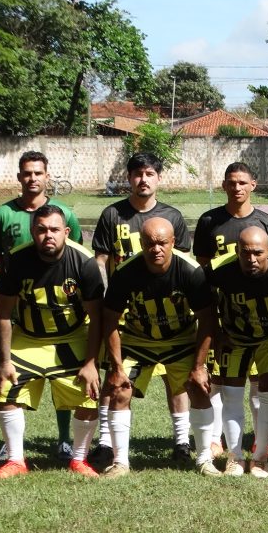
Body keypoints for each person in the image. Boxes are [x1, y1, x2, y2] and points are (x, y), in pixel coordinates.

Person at [90, 152, 192, 467]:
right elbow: (100, 261)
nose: (143, 179)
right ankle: (106, 443)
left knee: (175, 378)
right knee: (115, 376)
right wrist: (105, 298)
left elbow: (183, 263)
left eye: (149, 173)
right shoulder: (112, 214)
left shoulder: (172, 216)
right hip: (123, 311)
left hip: (166, 310)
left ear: (158, 178)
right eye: (137, 174)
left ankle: (182, 443)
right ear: (129, 178)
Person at [0, 205, 104, 479]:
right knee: (6, 389)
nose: (48, 235)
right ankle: (15, 460)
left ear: (66, 232)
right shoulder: (16, 260)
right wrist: (4, 361)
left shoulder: (84, 262)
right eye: (41, 230)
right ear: (33, 232)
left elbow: (97, 318)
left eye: (54, 229)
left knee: (88, 396)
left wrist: (91, 363)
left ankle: (79, 460)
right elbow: (3, 314)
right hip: (28, 338)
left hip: (72, 337)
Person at [0, 150, 83, 462]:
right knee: (8, 371)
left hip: (58, 306)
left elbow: (75, 251)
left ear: (47, 176)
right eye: (27, 173)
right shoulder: (3, 214)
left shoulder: (64, 213)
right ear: (19, 177)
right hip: (18, 304)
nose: (32, 178)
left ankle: (64, 439)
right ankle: (11, 444)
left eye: (38, 173)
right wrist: (15, 277)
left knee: (62, 374)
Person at [100, 218, 218, 477]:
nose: (156, 249)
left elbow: (208, 319)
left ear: (173, 242)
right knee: (119, 390)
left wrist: (199, 367)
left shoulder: (190, 271)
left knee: (199, 388)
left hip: (180, 339)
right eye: (149, 243)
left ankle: (204, 459)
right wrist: (117, 368)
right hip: (138, 340)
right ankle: (120, 462)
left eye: (162, 243)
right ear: (141, 244)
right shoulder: (125, 272)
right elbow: (109, 320)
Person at [192, 162, 268, 458]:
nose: (237, 187)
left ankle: (261, 441)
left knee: (257, 380)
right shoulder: (209, 221)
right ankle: (216, 439)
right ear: (224, 185)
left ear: (253, 185)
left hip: (259, 314)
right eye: (231, 182)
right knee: (219, 378)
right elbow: (203, 270)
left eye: (243, 182)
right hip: (223, 312)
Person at [205, 227, 268, 477]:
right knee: (231, 394)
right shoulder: (217, 269)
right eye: (245, 253)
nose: (251, 259)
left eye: (258, 253)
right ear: (237, 251)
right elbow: (205, 303)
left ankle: (260, 458)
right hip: (234, 337)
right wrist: (218, 333)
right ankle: (235, 457)